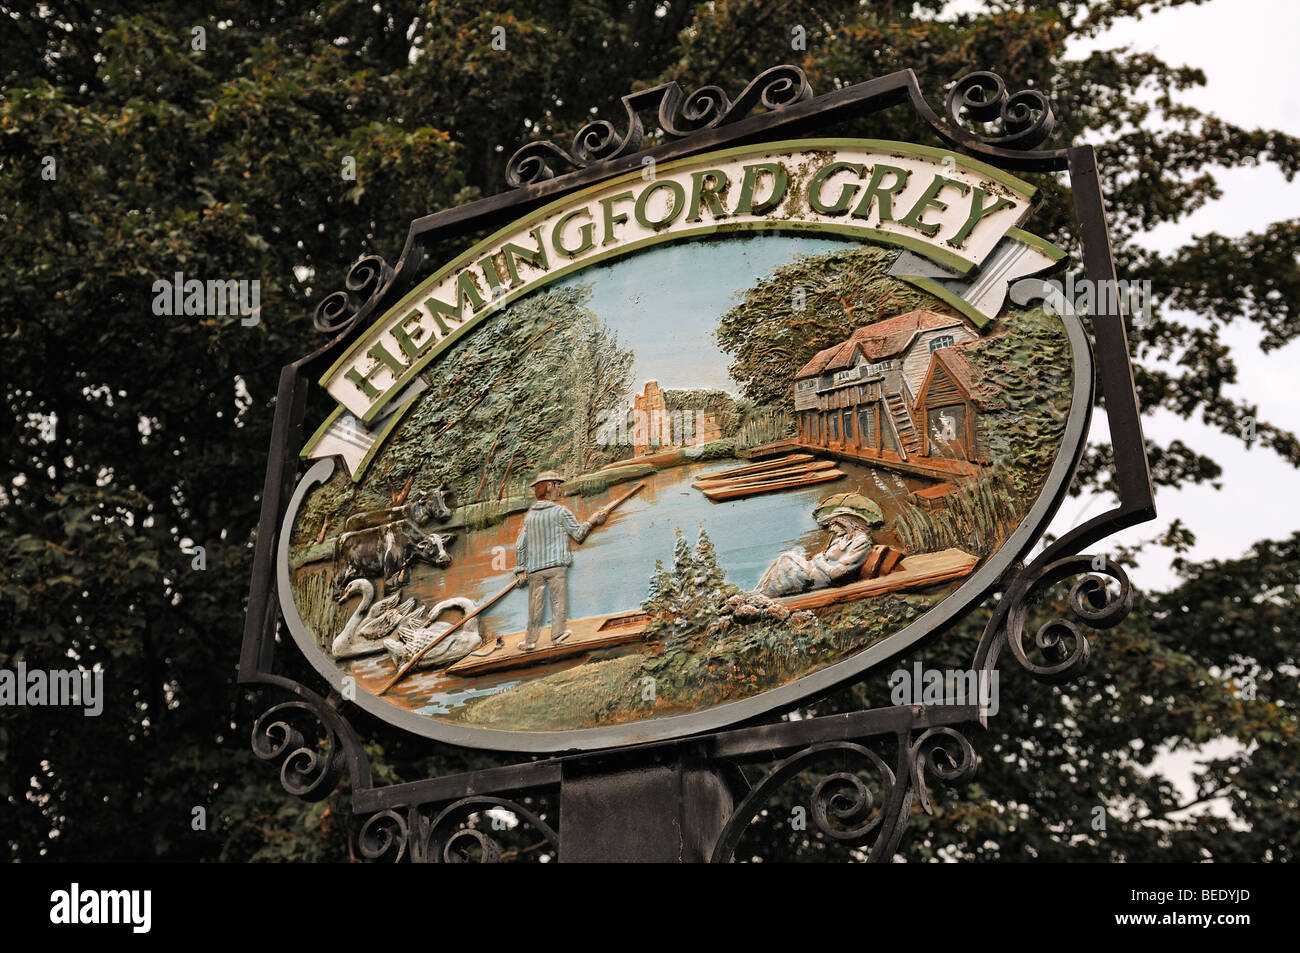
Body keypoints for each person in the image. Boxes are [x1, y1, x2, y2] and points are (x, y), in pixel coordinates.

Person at [514, 471, 606, 651]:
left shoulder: (530, 516)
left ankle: (530, 641)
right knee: (558, 602)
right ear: (549, 487)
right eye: (557, 485)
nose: (559, 489)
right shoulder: (561, 511)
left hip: (534, 570)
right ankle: (557, 636)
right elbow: (578, 535)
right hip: (556, 566)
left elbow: (520, 545)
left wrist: (520, 569)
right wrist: (593, 521)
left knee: (534, 607)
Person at [755, 508, 874, 598]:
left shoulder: (861, 542)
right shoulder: (842, 538)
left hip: (823, 578)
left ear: (846, 522)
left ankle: (764, 595)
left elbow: (836, 574)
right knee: (785, 559)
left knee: (786, 561)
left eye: (833, 524)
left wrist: (819, 561)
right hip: (817, 571)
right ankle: (760, 591)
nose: (831, 529)